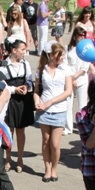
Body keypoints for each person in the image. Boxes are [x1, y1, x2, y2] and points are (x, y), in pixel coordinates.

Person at [34, 42, 73, 182]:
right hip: (44, 110)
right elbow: (37, 90)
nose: (63, 57)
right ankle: (47, 168)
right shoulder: (41, 70)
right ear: (51, 56)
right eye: (60, 54)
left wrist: (49, 102)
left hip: (59, 109)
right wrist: (37, 102)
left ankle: (55, 168)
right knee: (46, 141)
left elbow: (68, 91)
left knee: (55, 143)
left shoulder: (65, 70)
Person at [0, 38, 34, 173]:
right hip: (10, 100)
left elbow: (30, 79)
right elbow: (1, 83)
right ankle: (8, 158)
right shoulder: (5, 64)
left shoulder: (25, 64)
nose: (24, 52)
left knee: (21, 131)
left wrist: (27, 86)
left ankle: (19, 158)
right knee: (9, 130)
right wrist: (14, 89)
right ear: (14, 50)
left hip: (22, 101)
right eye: (22, 50)